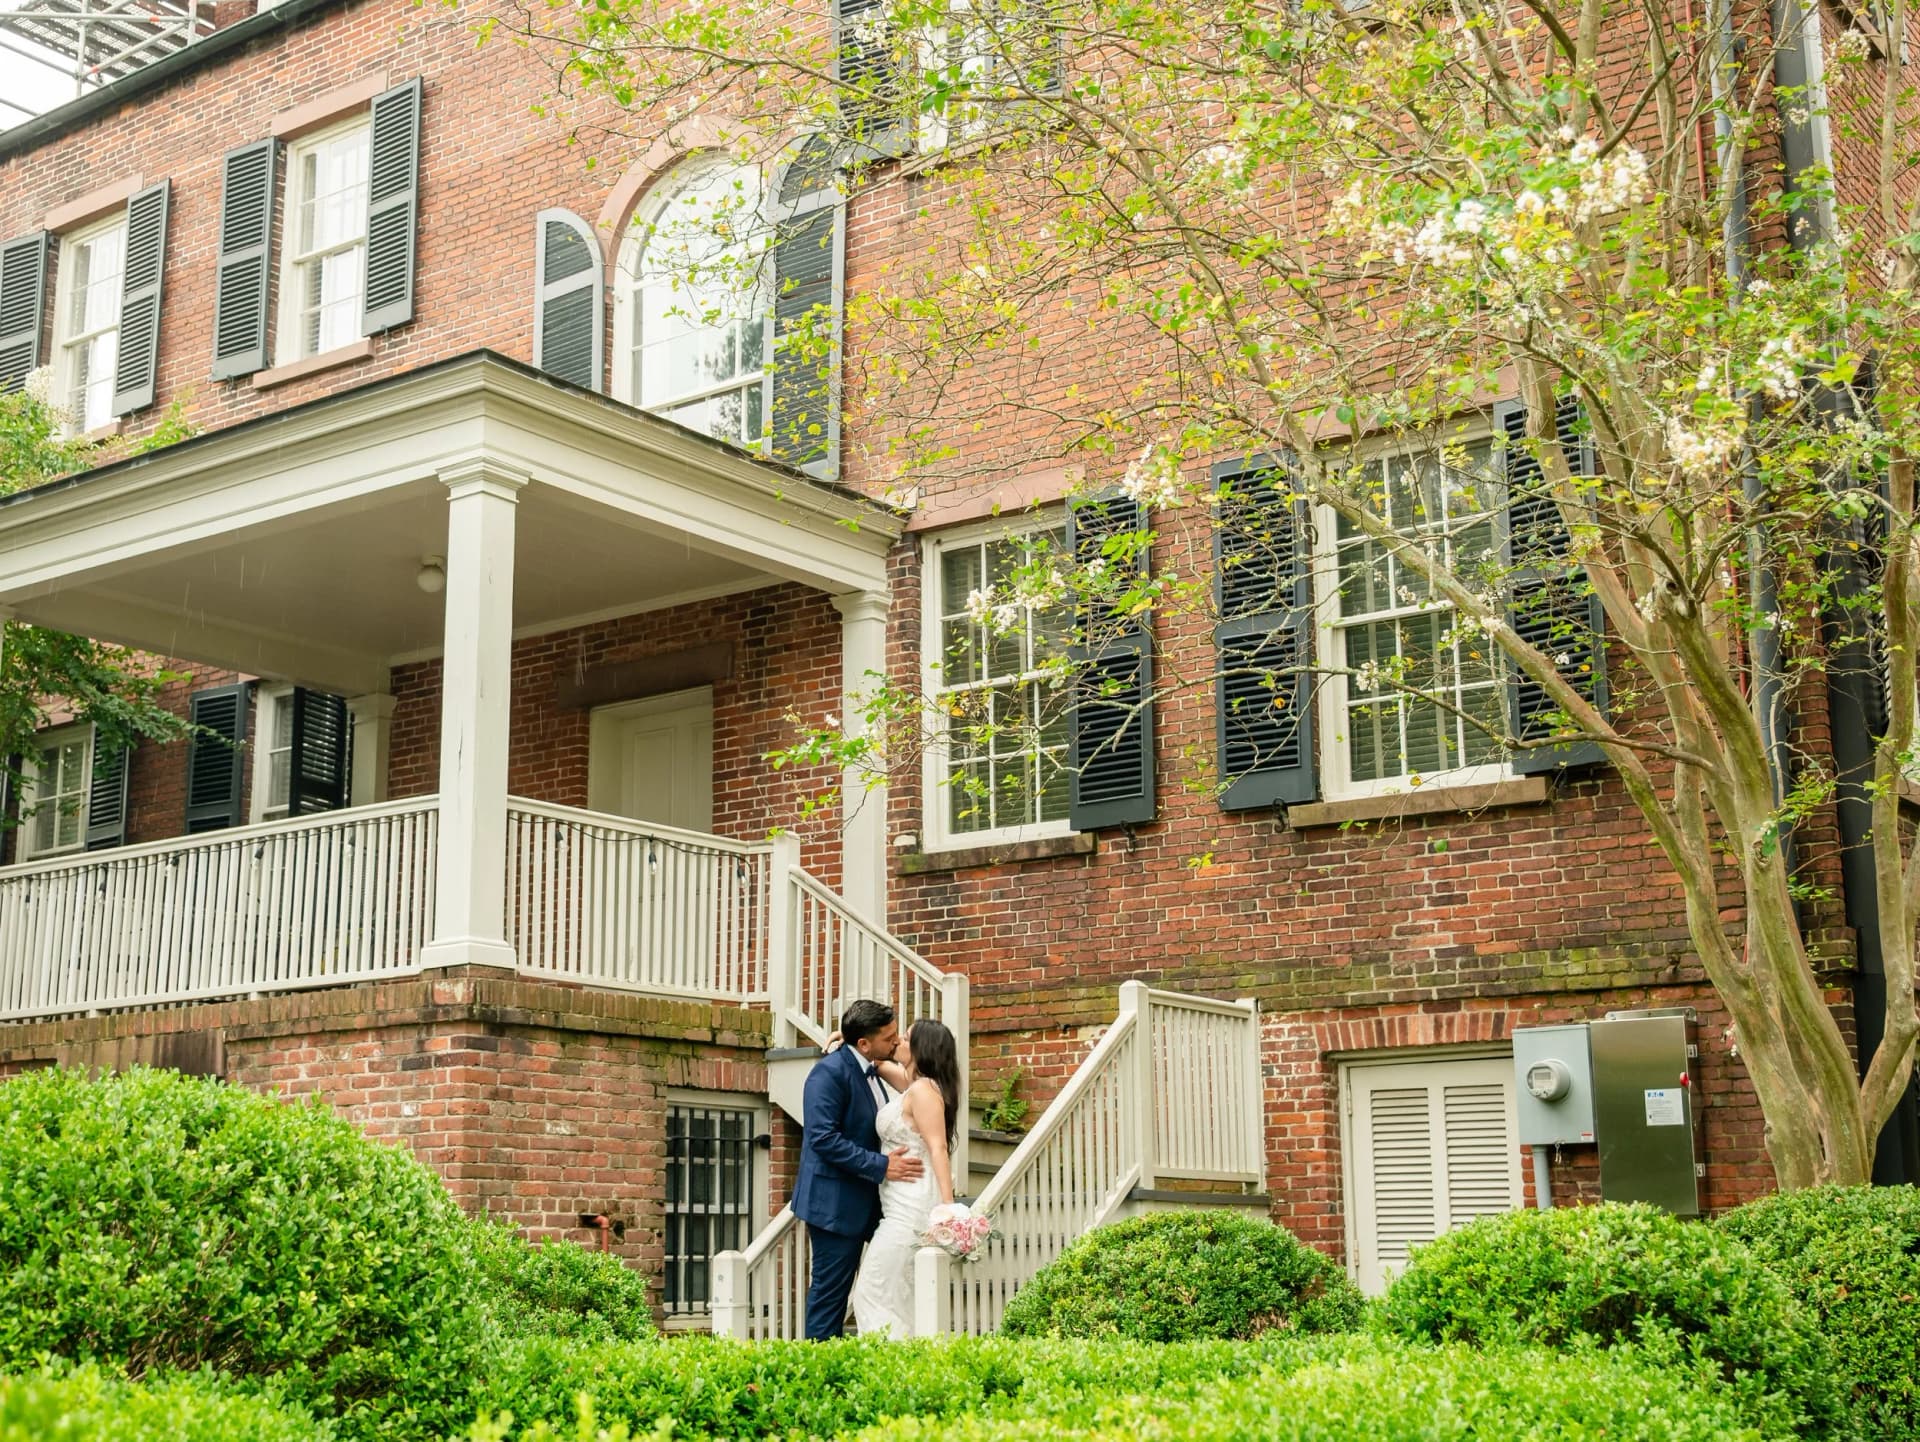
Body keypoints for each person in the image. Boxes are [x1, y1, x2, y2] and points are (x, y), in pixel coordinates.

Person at [791, 999, 924, 1340]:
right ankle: (819, 1373)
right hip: (834, 1204)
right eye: (889, 1036)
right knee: (831, 1295)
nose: (895, 1041)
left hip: (874, 1203)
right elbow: (822, 1138)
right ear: (864, 1043)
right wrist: (882, 1166)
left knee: (888, 1281)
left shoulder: (873, 1064)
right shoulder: (829, 1072)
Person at [846, 1017, 961, 1338]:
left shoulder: (923, 1091)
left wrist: (949, 1208)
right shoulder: (914, 1084)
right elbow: (881, 1064)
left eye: (906, 1038)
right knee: (894, 1295)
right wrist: (851, 1036)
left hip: (910, 1207)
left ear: (922, 1049)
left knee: (872, 1290)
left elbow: (938, 1147)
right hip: (897, 1201)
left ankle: (891, 1361)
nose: (898, 1041)